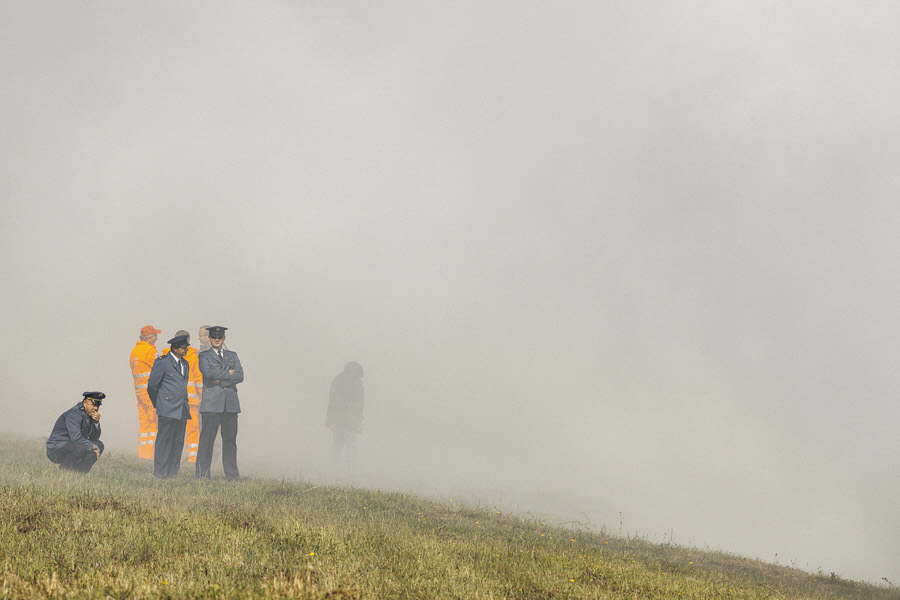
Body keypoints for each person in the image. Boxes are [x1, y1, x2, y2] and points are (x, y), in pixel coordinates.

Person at [196, 325, 244, 480]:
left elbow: (240, 376)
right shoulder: (204, 356)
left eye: (220, 337)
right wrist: (228, 374)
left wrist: (220, 377)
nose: (217, 340)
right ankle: (202, 475)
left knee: (230, 441)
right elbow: (208, 373)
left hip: (230, 405)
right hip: (211, 405)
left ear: (224, 338)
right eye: (214, 337)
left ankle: (232, 476)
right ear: (210, 339)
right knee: (207, 440)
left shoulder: (232, 355)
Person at [148, 333, 192, 478]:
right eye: (183, 347)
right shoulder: (163, 362)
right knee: (164, 441)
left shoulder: (185, 364)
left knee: (178, 441)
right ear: (174, 348)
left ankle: (173, 472)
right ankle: (160, 472)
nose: (186, 349)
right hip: (167, 409)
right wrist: (159, 403)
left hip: (182, 409)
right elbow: (152, 386)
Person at [46, 392, 105, 473]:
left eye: (98, 405)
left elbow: (94, 438)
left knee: (99, 445)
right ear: (85, 403)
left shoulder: (89, 414)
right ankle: (63, 472)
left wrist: (96, 423)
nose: (96, 408)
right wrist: (93, 447)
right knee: (83, 447)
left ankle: (79, 474)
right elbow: (76, 438)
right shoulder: (75, 413)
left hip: (71, 445)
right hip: (56, 448)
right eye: (93, 404)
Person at [325, 361, 364, 471]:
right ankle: (351, 471)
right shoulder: (357, 383)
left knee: (338, 444)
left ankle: (332, 468)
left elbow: (331, 401)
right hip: (348, 420)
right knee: (351, 445)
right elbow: (359, 404)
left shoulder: (337, 380)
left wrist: (328, 419)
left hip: (336, 419)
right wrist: (359, 421)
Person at [129, 325, 160, 459]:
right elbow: (159, 368)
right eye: (155, 336)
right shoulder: (150, 351)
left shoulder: (135, 350)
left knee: (144, 423)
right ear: (150, 338)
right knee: (154, 422)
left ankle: (143, 453)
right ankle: (151, 453)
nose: (157, 339)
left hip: (140, 393)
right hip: (151, 392)